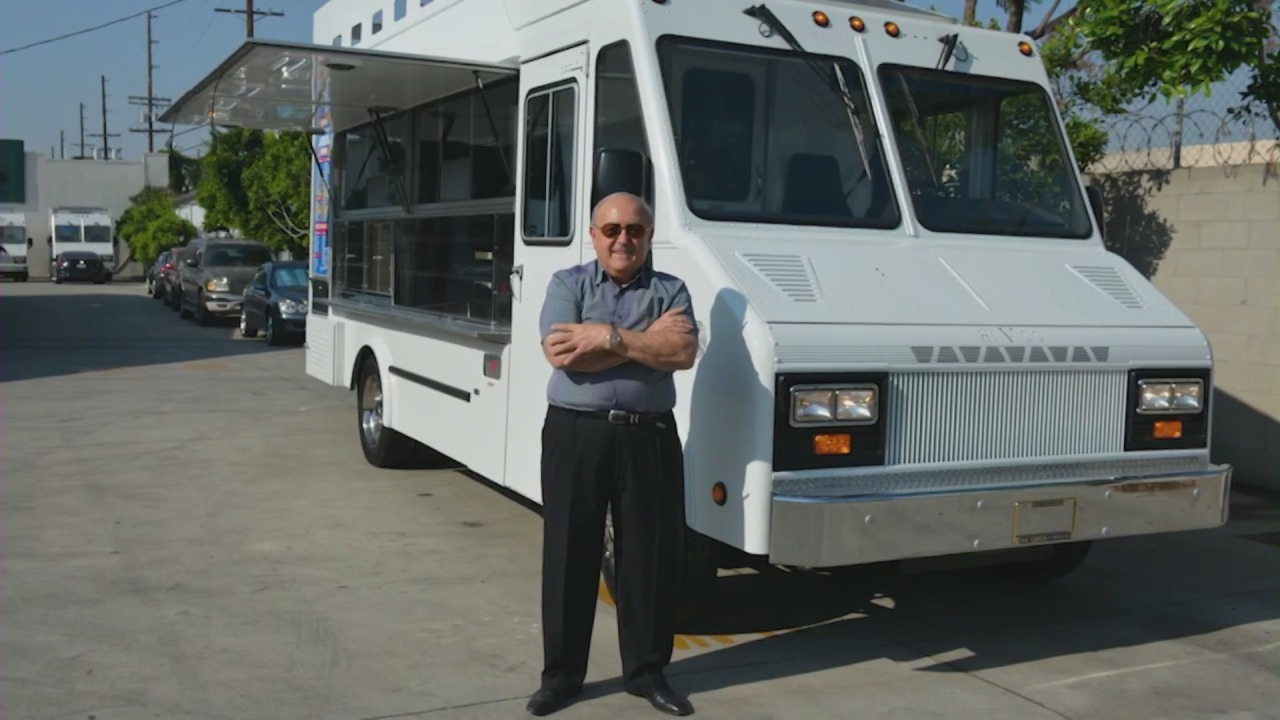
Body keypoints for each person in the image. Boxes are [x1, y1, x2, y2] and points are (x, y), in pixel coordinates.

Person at [526, 192, 698, 717]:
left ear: (649, 236)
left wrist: (604, 336)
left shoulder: (673, 289)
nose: (623, 238)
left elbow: (683, 353)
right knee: (568, 554)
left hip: (648, 437)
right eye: (612, 229)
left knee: (648, 558)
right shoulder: (566, 284)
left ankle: (647, 673)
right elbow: (562, 355)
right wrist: (643, 344)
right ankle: (561, 677)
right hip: (575, 434)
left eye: (636, 230)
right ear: (594, 234)